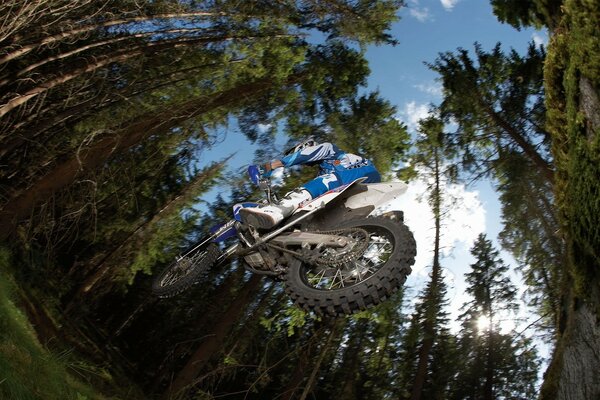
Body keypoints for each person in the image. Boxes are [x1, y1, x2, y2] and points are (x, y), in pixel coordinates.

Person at [239, 137, 381, 229]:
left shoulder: (328, 149)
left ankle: (275, 212)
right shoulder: (327, 167)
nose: (307, 166)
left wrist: (268, 167)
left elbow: (303, 155)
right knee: (320, 206)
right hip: (367, 184)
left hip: (352, 176)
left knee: (305, 191)